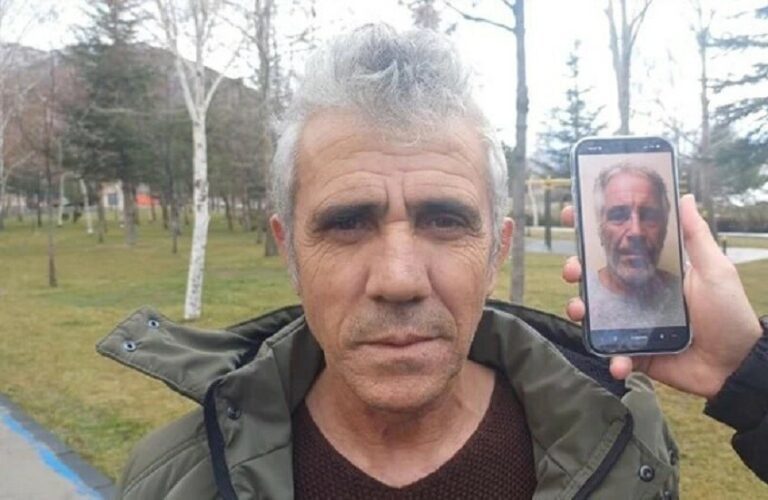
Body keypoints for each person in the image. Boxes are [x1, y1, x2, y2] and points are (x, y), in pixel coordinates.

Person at [97, 25, 768, 499]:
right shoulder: (172, 480)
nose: (398, 279)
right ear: (290, 249)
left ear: (498, 249)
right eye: (348, 223)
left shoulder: (624, 442)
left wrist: (749, 379)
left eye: (445, 222)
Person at [586, 163, 686, 330]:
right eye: (618, 215)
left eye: (649, 216)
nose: (636, 231)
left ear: (665, 227)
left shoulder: (688, 294)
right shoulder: (586, 296)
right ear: (600, 228)